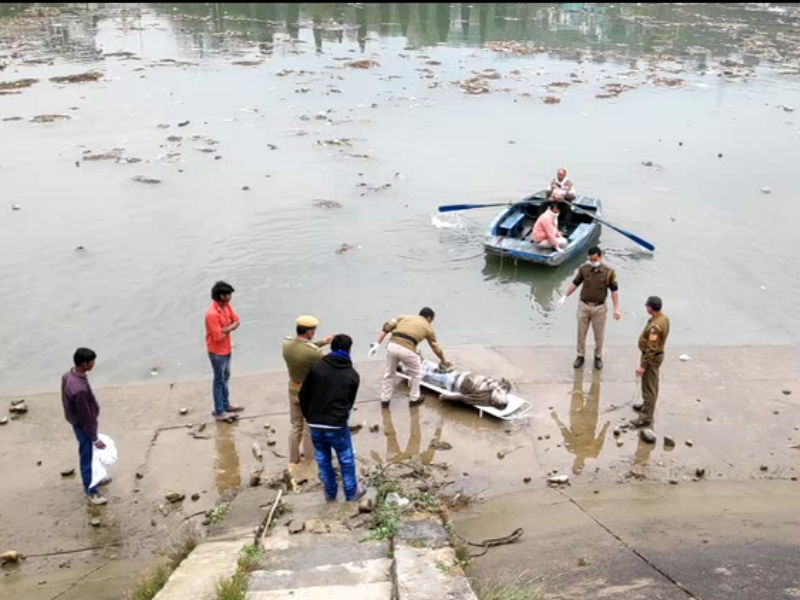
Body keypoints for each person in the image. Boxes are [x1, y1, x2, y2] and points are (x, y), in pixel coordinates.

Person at [299, 334, 366, 502]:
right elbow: (349, 403)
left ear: (332, 348)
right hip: (336, 425)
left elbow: (303, 394)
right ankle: (351, 493)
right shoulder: (352, 375)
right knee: (346, 458)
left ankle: (330, 492)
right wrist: (341, 417)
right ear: (349, 350)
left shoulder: (317, 367)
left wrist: (309, 415)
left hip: (315, 423)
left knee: (323, 459)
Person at [559, 246, 621, 370]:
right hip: (584, 306)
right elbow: (575, 283)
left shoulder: (609, 272)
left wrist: (616, 309)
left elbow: (614, 291)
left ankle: (598, 357)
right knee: (581, 332)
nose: (593, 262)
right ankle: (580, 355)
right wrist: (565, 295)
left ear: (600, 257)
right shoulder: (584, 269)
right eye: (590, 259)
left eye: (595, 259)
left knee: (599, 335)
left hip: (599, 308)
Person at [282, 315, 333, 465]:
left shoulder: (286, 345)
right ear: (310, 332)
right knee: (308, 428)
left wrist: (324, 341)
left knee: (295, 426)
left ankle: (293, 459)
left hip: (293, 389)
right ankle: (310, 459)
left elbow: (304, 346)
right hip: (309, 394)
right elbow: (326, 360)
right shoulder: (314, 353)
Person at [61, 347, 109, 505]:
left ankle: (95, 479)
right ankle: (91, 491)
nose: (94, 364)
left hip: (77, 421)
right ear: (84, 364)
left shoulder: (69, 375)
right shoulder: (79, 390)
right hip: (84, 425)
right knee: (87, 456)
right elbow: (85, 417)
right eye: (92, 361)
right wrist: (95, 438)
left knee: (90, 454)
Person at [377, 307, 451, 407]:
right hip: (407, 349)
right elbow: (435, 347)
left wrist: (378, 342)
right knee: (416, 373)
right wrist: (444, 360)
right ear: (429, 318)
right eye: (432, 320)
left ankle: (385, 400)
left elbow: (387, 327)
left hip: (392, 346)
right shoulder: (428, 328)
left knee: (389, 373)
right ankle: (414, 398)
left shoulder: (404, 317)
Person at [205, 281, 243, 421]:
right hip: (216, 352)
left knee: (226, 376)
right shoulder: (212, 314)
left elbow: (237, 320)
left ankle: (226, 404)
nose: (230, 297)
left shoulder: (227, 307)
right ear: (222, 296)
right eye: (228, 294)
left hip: (227, 348)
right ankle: (219, 411)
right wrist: (230, 328)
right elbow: (217, 336)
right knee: (219, 380)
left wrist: (227, 328)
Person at [631, 296, 670, 428]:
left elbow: (652, 347)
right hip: (656, 356)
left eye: (647, 305)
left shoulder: (655, 327)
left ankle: (646, 417)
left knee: (649, 387)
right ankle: (646, 406)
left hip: (651, 359)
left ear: (650, 308)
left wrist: (643, 366)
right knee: (651, 384)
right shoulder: (664, 319)